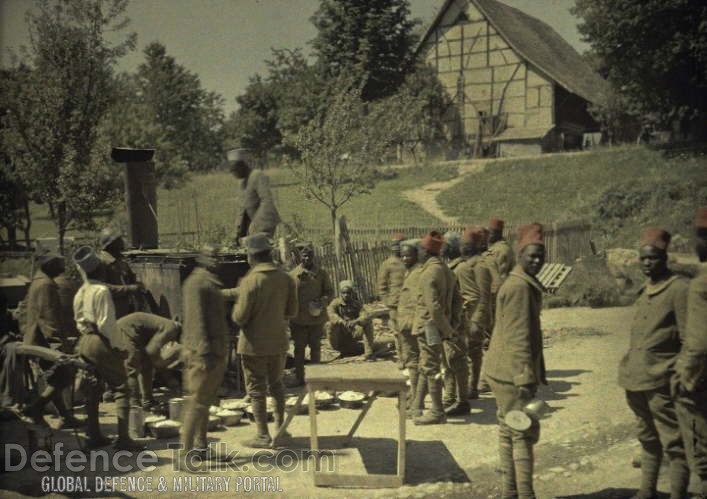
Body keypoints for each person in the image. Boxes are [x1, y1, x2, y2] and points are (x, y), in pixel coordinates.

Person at [618, 228, 689, 499]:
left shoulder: (679, 289)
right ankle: (646, 490)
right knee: (647, 437)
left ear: (665, 258)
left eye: (654, 258)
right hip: (635, 377)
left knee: (673, 440)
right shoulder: (644, 290)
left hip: (662, 378)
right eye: (644, 258)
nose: (648, 263)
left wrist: (679, 375)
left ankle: (678, 493)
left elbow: (688, 338)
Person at [484, 223, 548, 499]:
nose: (536, 260)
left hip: (500, 368)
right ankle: (525, 494)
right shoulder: (520, 287)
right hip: (512, 371)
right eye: (531, 255)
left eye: (540, 256)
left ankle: (511, 491)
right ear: (520, 253)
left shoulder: (516, 281)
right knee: (522, 430)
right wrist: (524, 378)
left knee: (508, 428)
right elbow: (519, 337)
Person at [72, 246, 142, 450]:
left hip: (85, 340)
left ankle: (92, 435)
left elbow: (78, 320)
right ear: (100, 270)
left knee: (92, 388)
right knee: (122, 387)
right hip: (100, 341)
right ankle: (123, 439)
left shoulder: (81, 291)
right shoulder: (101, 291)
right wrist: (120, 346)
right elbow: (107, 325)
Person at [232, 233, 298, 448]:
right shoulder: (287, 278)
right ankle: (281, 430)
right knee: (277, 385)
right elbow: (292, 311)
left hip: (253, 346)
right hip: (278, 342)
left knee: (257, 389)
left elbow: (240, 317)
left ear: (252, 256)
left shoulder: (250, 281)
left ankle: (262, 435)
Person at [180, 245, 229, 463]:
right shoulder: (197, 282)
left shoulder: (207, 280)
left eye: (218, 256)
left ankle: (201, 447)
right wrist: (204, 351)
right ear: (203, 258)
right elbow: (196, 320)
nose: (217, 260)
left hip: (213, 351)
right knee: (197, 402)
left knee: (205, 401)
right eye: (213, 256)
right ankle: (185, 455)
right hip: (203, 353)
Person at [22, 251, 81, 428]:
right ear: (50, 266)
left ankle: (64, 415)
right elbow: (48, 318)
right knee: (63, 376)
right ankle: (35, 408)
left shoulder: (39, 282)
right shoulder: (46, 285)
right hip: (44, 342)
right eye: (59, 265)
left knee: (57, 378)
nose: (62, 269)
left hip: (38, 339)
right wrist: (58, 345)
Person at [673, 207, 707, 496]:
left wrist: (685, 373)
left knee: (695, 424)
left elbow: (698, 342)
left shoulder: (700, 285)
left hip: (702, 373)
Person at [412, 231, 461, 426]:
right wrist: (452, 325)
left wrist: (447, 330)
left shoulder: (429, 272)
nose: (418, 254)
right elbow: (458, 300)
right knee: (428, 363)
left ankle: (437, 411)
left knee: (430, 366)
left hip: (429, 327)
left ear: (425, 251)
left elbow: (433, 307)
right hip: (439, 326)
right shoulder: (446, 269)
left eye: (420, 250)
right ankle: (418, 406)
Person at [117, 312, 181, 411]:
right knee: (132, 367)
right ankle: (134, 404)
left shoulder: (170, 327)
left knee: (147, 365)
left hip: (137, 333)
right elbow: (151, 352)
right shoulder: (172, 328)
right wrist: (167, 364)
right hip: (127, 330)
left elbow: (150, 355)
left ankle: (147, 400)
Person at [456, 226, 492, 400]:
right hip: (464, 315)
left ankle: (473, 387)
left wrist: (477, 320)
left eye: (466, 245)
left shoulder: (480, 265)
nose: (462, 247)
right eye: (463, 244)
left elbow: (484, 296)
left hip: (475, 316)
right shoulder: (465, 264)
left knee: (474, 353)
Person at [289, 243, 333, 386]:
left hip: (316, 318)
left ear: (314, 257)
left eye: (310, 256)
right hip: (298, 319)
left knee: (315, 349)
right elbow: (288, 296)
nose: (307, 258)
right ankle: (300, 378)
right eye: (304, 256)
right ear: (299, 257)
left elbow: (329, 292)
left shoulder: (321, 273)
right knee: (299, 350)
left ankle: (316, 379)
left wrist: (322, 301)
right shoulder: (293, 275)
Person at [441, 231, 471, 416]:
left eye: (445, 245)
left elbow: (467, 297)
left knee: (457, 361)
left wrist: (457, 320)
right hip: (449, 323)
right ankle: (450, 398)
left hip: (456, 324)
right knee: (447, 361)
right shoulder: (450, 267)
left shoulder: (460, 269)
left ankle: (462, 401)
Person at [397, 240, 426, 416]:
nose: (405, 258)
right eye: (403, 255)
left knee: (414, 363)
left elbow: (418, 302)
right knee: (412, 362)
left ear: (417, 255)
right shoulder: (411, 272)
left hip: (410, 325)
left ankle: (416, 400)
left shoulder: (417, 274)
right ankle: (415, 397)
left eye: (409, 255)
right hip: (406, 323)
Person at [229, 148, 281, 240]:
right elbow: (242, 208)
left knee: (261, 250)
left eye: (235, 170)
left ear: (242, 166)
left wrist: (256, 225)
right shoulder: (242, 182)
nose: (234, 174)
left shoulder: (257, 175)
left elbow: (267, 201)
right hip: (254, 226)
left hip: (266, 223)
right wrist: (238, 231)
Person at [98, 227, 144, 320]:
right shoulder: (101, 262)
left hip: (126, 310)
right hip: (111, 314)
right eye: (119, 240)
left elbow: (130, 280)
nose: (122, 242)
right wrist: (128, 289)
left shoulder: (121, 260)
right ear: (111, 244)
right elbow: (101, 288)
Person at [376, 233, 407, 367]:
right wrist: (387, 301)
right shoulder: (387, 264)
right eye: (394, 245)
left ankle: (411, 357)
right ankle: (401, 358)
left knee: (410, 331)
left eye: (399, 244)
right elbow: (382, 286)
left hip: (410, 303)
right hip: (395, 304)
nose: (397, 248)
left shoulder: (409, 261)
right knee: (398, 332)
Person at [325, 281, 374, 358]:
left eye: (348, 293)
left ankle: (368, 352)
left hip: (352, 332)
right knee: (330, 324)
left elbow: (364, 315)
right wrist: (341, 321)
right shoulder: (335, 303)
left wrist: (356, 321)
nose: (346, 295)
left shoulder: (356, 304)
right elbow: (331, 314)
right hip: (339, 335)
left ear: (352, 293)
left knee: (368, 322)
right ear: (340, 293)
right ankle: (335, 349)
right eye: (343, 293)